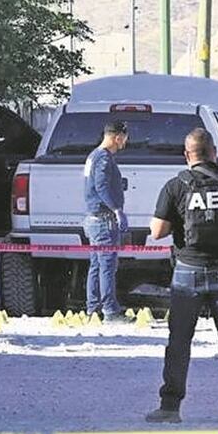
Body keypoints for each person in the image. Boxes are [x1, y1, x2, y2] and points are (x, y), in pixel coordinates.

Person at [145, 128, 218, 424]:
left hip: (187, 271)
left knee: (179, 341)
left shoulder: (176, 186)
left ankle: (170, 407)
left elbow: (157, 232)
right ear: (214, 153)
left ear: (188, 156)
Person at [83, 120, 129, 322]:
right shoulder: (103, 158)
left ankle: (93, 308)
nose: (125, 142)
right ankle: (110, 310)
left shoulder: (93, 156)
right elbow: (101, 186)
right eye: (124, 138)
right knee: (107, 265)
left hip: (93, 219)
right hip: (103, 220)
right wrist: (117, 209)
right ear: (117, 136)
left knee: (96, 265)